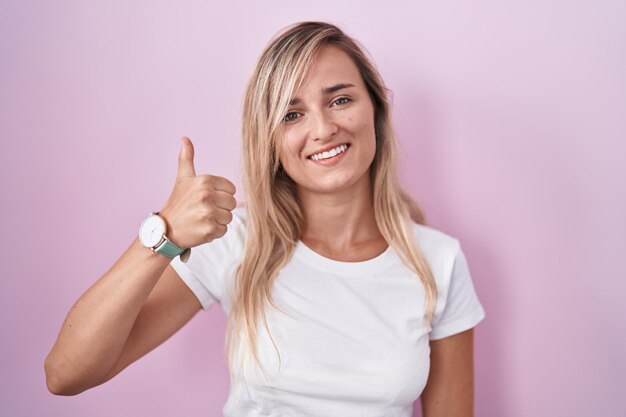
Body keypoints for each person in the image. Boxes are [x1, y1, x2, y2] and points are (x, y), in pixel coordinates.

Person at [45, 21, 486, 416]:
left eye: (340, 100)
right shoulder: (235, 240)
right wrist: (163, 234)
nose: (323, 129)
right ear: (271, 141)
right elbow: (66, 375)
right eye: (292, 115)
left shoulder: (438, 261)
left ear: (376, 109)